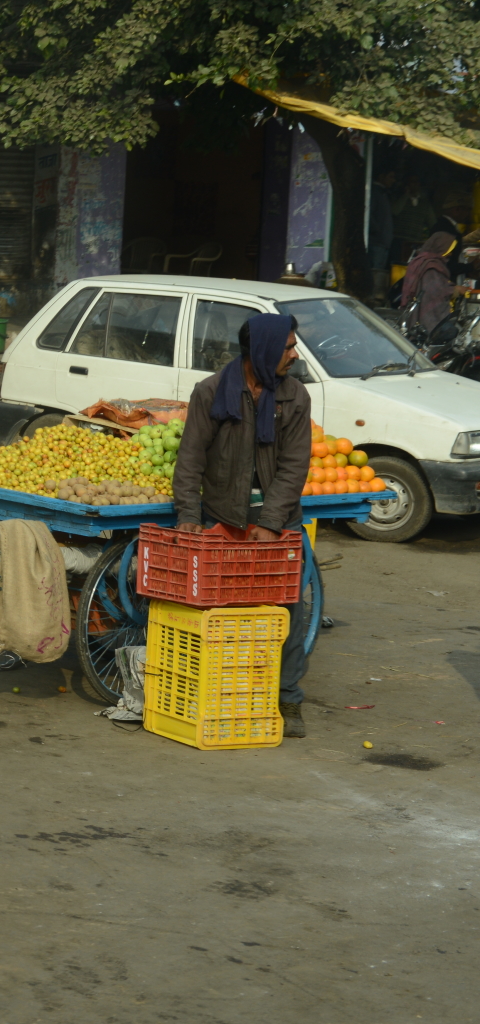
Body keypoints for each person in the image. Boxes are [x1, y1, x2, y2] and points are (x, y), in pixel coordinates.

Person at [172, 314, 315, 738]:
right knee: (223, 614)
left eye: (293, 346)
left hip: (278, 521)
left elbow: (294, 467)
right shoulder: (212, 392)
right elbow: (191, 458)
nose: (294, 354)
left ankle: (288, 700)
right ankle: (227, 696)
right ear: (264, 351)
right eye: (288, 347)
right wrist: (188, 516)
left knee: (287, 612)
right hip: (224, 515)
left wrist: (271, 522)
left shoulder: (294, 397)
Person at [399, 231, 458, 339]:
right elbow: (434, 293)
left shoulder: (421, 261)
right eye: (449, 250)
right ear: (441, 248)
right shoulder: (432, 267)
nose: (450, 254)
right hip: (428, 320)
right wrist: (454, 290)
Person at [364, 168, 396, 304]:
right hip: (377, 241)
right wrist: (377, 231)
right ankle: (370, 299)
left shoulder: (383, 193)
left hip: (382, 241)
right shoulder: (375, 192)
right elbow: (369, 215)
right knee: (375, 273)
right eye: (391, 176)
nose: (393, 180)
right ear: (381, 176)